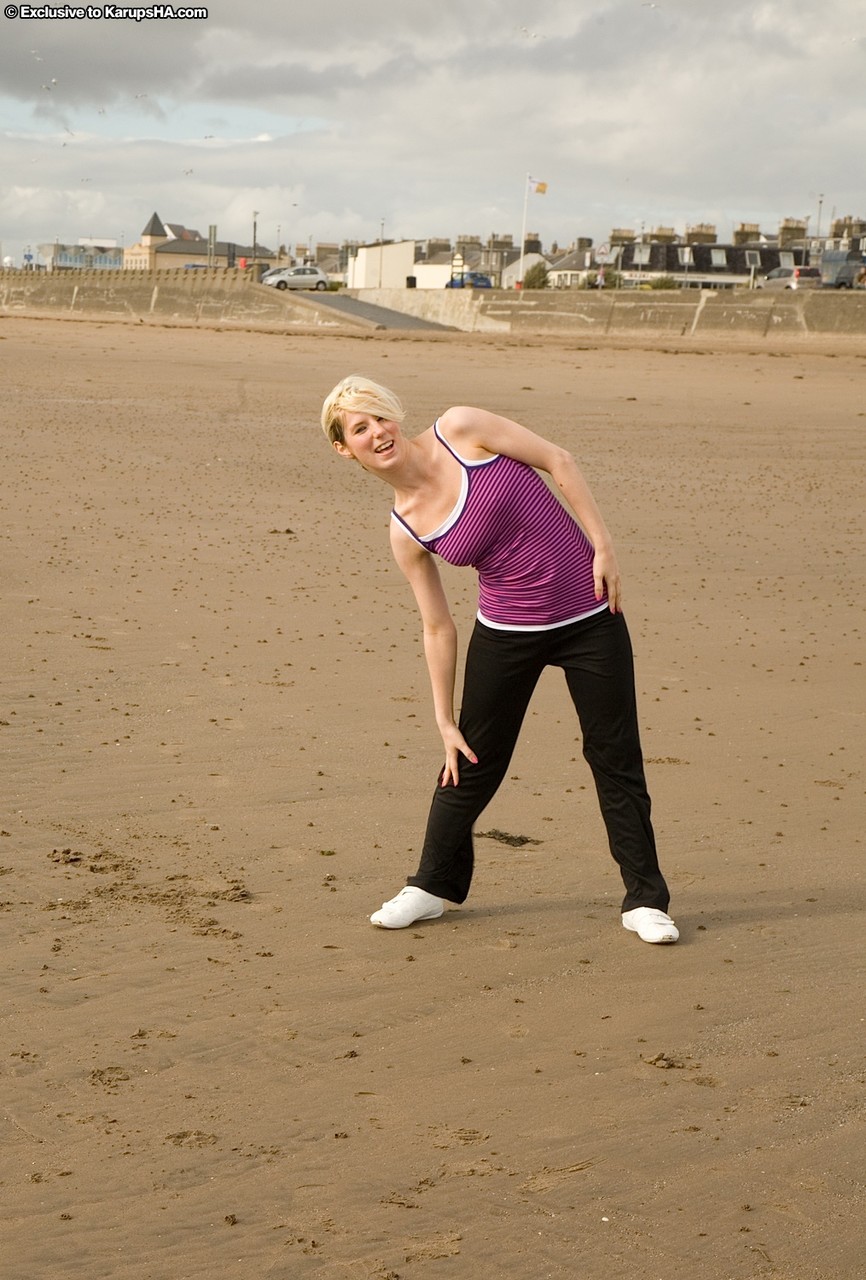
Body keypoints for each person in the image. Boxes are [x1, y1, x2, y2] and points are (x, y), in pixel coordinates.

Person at [320, 375, 678, 944]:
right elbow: (437, 624)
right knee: (469, 758)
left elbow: (558, 461)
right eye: (360, 428)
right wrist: (442, 718)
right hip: (507, 632)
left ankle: (645, 900)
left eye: (380, 417)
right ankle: (431, 886)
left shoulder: (461, 429)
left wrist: (603, 545)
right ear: (346, 448)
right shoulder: (405, 527)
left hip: (590, 617)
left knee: (614, 755)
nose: (378, 432)